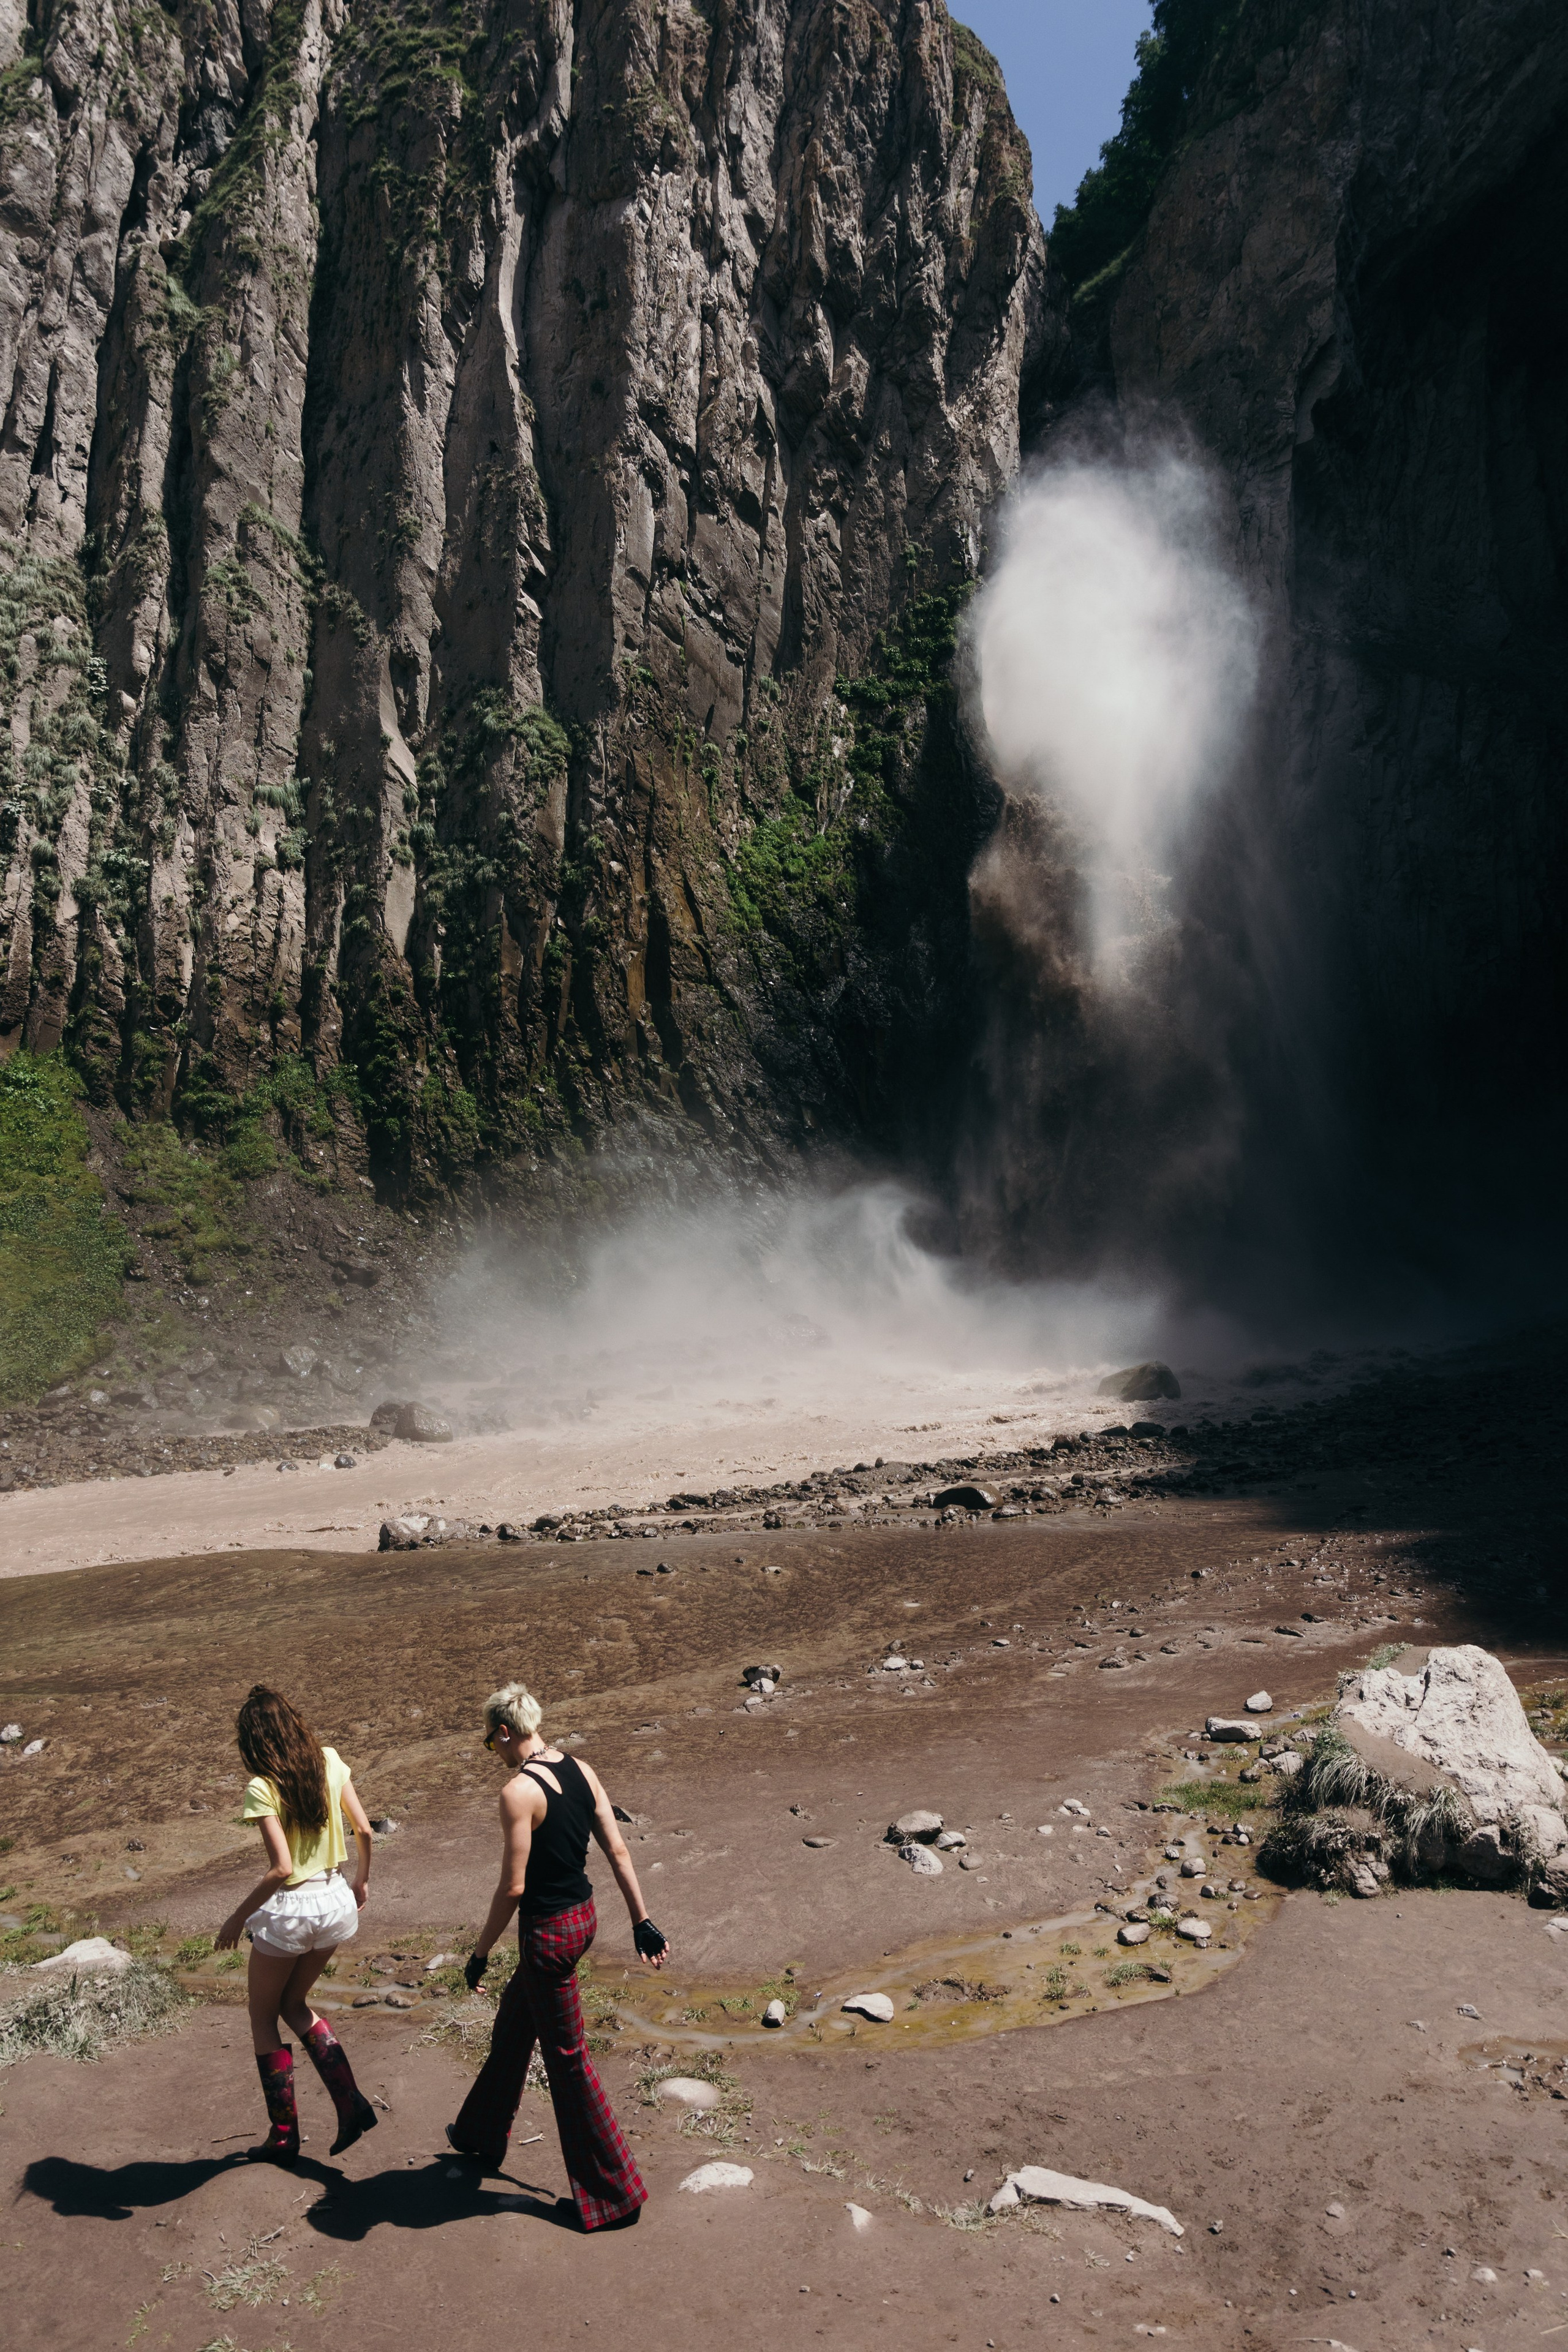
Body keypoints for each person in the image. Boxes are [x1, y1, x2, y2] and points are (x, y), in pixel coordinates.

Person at [446, 1679, 669, 2231]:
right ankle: (479, 2135)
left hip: (547, 1935)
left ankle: (614, 2196)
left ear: (504, 1732)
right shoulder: (580, 1768)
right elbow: (616, 1849)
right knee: (516, 2019)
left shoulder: (519, 1793)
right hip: (583, 1920)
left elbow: (514, 1889)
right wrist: (641, 1919)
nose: (492, 1753)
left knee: (568, 2061)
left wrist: (478, 1954)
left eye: (490, 1743)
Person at [215, 1683, 378, 2166]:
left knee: (263, 2015)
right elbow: (366, 1830)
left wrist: (236, 1918)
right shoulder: (329, 1759)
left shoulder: (263, 1786)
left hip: (291, 1912)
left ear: (255, 1742)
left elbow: (282, 1867)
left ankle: (285, 2133)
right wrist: (362, 1883)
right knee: (294, 2003)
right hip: (335, 1900)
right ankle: (351, 2104)